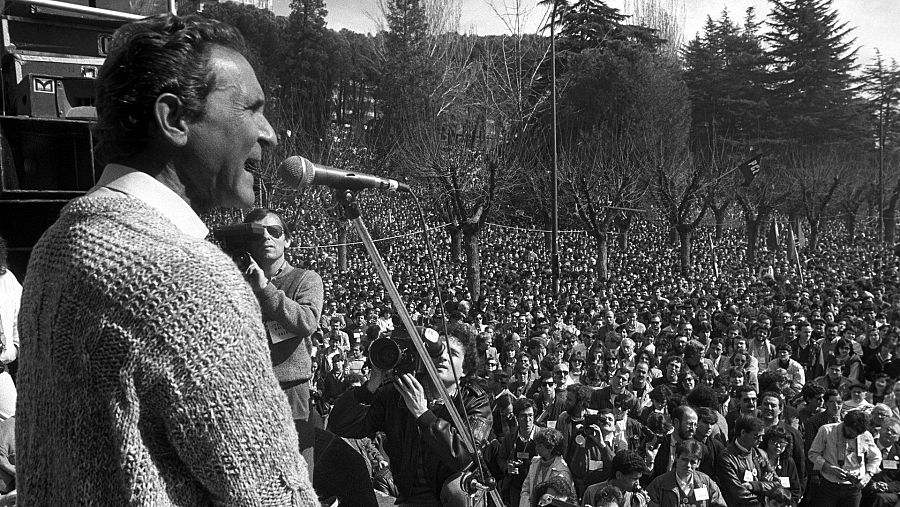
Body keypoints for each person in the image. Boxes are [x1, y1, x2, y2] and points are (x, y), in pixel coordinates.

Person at [15, 14, 318, 506]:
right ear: (175, 119)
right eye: (252, 109)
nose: (271, 134)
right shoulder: (190, 280)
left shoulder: (56, 243)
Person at [328, 325, 492, 506]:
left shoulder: (475, 401)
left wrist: (423, 414)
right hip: (408, 495)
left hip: (453, 498)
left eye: (453, 354)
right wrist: (372, 385)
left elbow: (464, 457)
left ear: (465, 370)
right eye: (438, 352)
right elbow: (341, 425)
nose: (443, 357)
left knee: (457, 491)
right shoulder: (397, 393)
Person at [242, 207, 324, 423]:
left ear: (287, 240)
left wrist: (265, 289)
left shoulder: (305, 279)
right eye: (258, 233)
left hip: (291, 390)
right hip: (248, 390)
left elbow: (307, 322)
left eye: (275, 231)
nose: (267, 236)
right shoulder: (237, 281)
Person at [808, 410, 882, 507]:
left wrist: (867, 476)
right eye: (850, 432)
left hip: (853, 488)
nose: (853, 436)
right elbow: (813, 454)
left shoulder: (866, 435)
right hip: (829, 486)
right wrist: (827, 467)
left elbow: (876, 457)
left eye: (856, 435)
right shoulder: (826, 430)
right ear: (845, 424)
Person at [717, 415, 781, 506]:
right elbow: (738, 493)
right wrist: (763, 499)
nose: (761, 440)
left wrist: (756, 485)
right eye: (756, 436)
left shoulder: (761, 454)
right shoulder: (727, 458)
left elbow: (777, 484)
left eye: (762, 436)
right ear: (743, 432)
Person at [646, 439, 726, 506]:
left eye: (693, 462)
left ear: (698, 464)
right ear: (676, 458)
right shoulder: (659, 484)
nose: (688, 465)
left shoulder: (706, 483)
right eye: (684, 460)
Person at [520, 427, 574, 507]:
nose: (536, 448)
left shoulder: (562, 471)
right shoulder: (535, 462)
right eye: (536, 445)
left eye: (540, 446)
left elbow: (559, 501)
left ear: (550, 447)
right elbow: (526, 488)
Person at [582, 450, 650, 507]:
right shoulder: (592, 492)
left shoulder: (635, 498)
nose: (637, 483)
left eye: (638, 479)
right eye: (634, 479)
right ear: (619, 475)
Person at [0, 237, 18, 420]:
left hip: (0, 371)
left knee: (14, 421)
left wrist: (15, 347)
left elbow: (21, 315)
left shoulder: (6, 278)